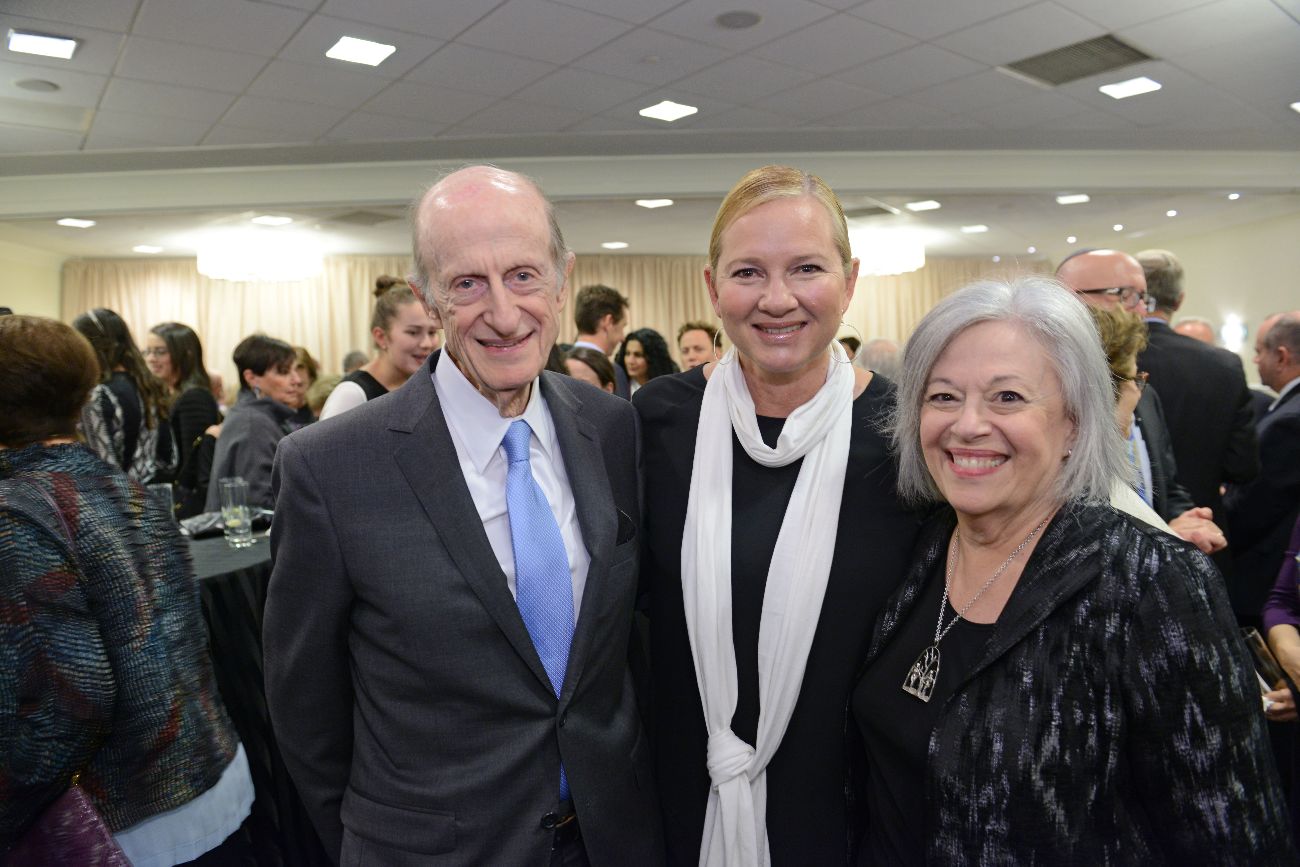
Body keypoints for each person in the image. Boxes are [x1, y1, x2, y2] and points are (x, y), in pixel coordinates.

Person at [264, 165, 663, 865]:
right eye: (467, 284)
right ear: (426, 296)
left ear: (562, 278)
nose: (505, 314)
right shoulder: (329, 467)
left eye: (524, 276)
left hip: (612, 837)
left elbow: (624, 646)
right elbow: (305, 710)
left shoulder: (612, 428)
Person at [853, 277, 1292, 863]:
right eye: (943, 397)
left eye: (1008, 397)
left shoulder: (1152, 582)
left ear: (1075, 424)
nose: (967, 425)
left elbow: (1233, 837)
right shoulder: (921, 544)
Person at [638, 165, 920, 864]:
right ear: (712, 288)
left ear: (850, 281)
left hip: (851, 816)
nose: (777, 299)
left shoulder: (906, 435)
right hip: (678, 804)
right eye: (747, 273)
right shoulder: (654, 423)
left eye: (806, 268)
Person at [0, 315, 254, 864]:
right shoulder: (122, 487)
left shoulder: (17, 513)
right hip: (209, 772)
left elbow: (66, 704)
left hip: (127, 818)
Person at [1055, 249, 1223, 555]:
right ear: (1065, 301)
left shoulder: (1143, 393)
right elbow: (1059, 505)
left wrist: (1184, 519)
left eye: (1143, 298)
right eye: (1125, 295)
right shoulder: (1048, 400)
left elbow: (1164, 486)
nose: (1141, 312)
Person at [1135, 248, 1258, 527]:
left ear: (1135, 298)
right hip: (1203, 525)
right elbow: (1243, 466)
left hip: (1123, 533)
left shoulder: (1107, 359)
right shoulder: (1225, 365)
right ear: (1179, 300)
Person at [1227, 312, 1300, 625]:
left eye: (1259, 351)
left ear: (1281, 356)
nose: (1255, 361)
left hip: (1264, 585)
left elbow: (1253, 510)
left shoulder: (1288, 421)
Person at [1086, 305, 1176, 533]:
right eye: (1135, 379)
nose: (1138, 391)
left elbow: (1168, 484)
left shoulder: (1148, 401)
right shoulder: (1082, 484)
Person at [73, 307, 176, 484]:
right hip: (152, 499)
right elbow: (169, 460)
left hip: (118, 506)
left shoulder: (98, 395)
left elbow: (103, 475)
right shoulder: (149, 386)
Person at [319, 277, 440, 420]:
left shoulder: (424, 386)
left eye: (432, 332)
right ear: (381, 337)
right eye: (413, 332)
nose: (427, 343)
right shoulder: (352, 395)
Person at [204, 334, 301, 512]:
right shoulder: (252, 423)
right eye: (284, 371)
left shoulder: (254, 416)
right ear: (252, 378)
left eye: (295, 371)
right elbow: (258, 506)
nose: (297, 380)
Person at [146, 322, 222, 519]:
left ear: (185, 354)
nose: (151, 359)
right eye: (148, 351)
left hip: (189, 511)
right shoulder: (171, 393)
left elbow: (194, 464)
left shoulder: (194, 397)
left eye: (160, 352)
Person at [572, 284, 631, 398]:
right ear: (608, 322)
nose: (623, 338)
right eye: (622, 326)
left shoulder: (556, 367)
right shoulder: (613, 373)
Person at [615, 327, 677, 396]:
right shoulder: (617, 387)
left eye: (637, 355)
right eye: (627, 353)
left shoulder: (669, 386)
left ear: (652, 358)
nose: (630, 361)